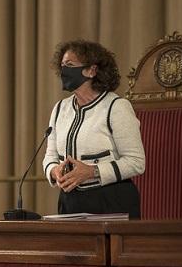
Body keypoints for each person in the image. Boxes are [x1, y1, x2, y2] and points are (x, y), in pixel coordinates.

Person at [42, 39, 145, 218]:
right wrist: (54, 171)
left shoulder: (116, 107)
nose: (64, 71)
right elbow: (49, 157)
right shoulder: (60, 109)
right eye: (62, 66)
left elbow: (136, 162)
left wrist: (92, 172)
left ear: (92, 70)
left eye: (70, 65)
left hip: (111, 201)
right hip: (70, 202)